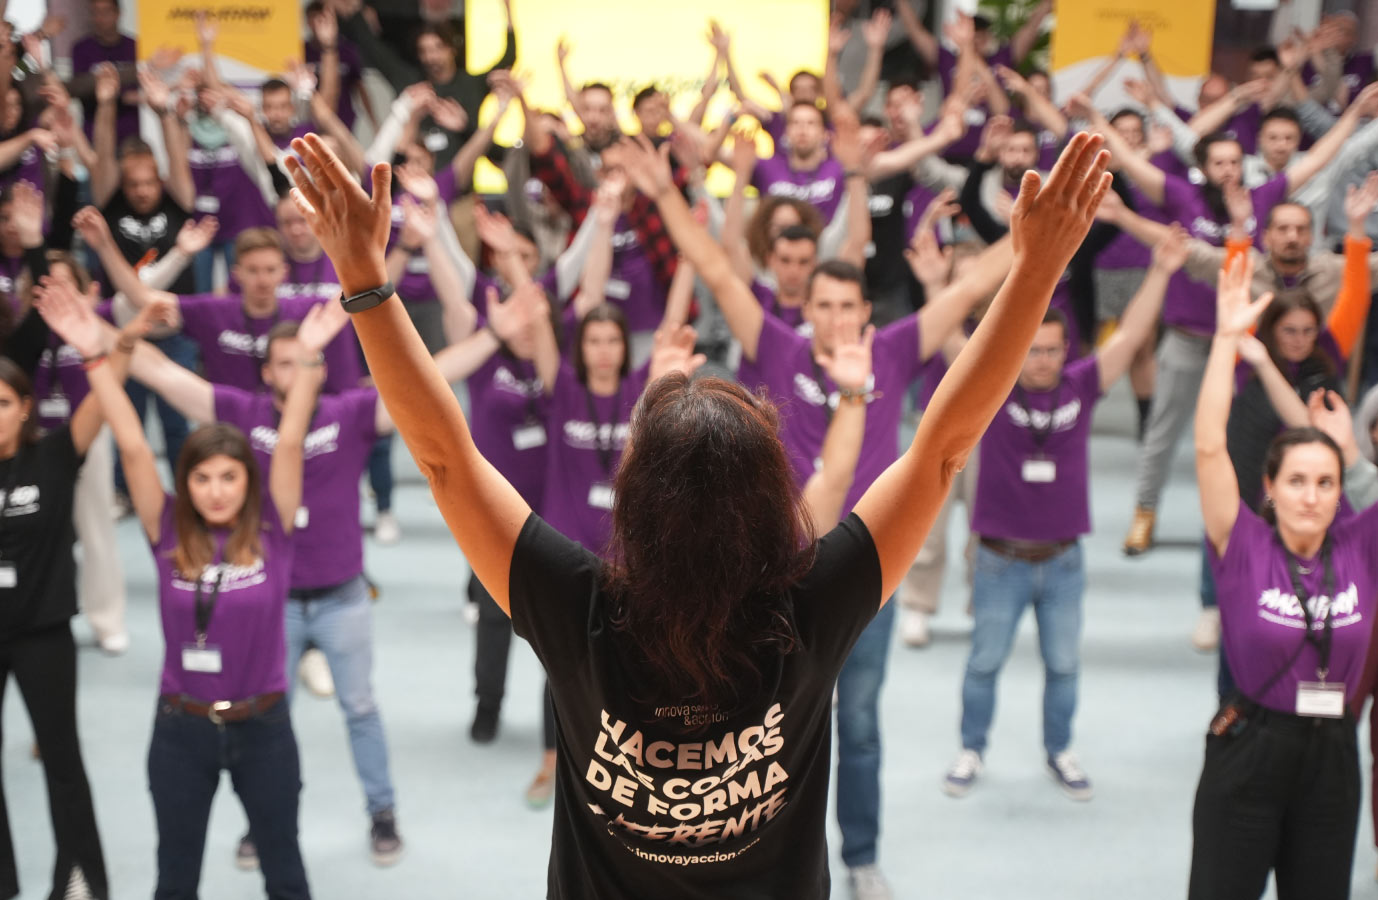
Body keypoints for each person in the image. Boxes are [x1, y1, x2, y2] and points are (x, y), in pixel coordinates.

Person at [281, 120, 1109, 898]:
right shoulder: (812, 606)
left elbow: (442, 458)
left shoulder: (578, 609)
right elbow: (942, 450)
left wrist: (364, 280)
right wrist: (1037, 270)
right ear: (773, 500)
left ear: (633, 501)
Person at [38, 283, 321, 900]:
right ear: (185, 483)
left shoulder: (272, 528)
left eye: (229, 477)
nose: (216, 491)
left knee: (286, 876)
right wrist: (94, 356)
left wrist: (306, 361)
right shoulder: (166, 527)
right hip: (181, 730)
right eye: (202, 478)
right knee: (175, 881)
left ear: (248, 482)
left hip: (264, 727)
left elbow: (290, 439)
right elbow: (133, 446)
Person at [942, 226, 1185, 801]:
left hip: (1063, 562)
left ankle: (1060, 751)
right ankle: (971, 749)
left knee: (1064, 665)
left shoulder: (1082, 384)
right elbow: (949, 341)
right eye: (1032, 349)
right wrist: (934, 285)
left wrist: (1161, 270)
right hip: (999, 559)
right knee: (984, 663)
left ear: (1066, 349)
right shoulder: (995, 385)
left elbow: (1131, 336)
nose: (1043, 360)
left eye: (1052, 350)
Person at [1188, 251, 1378, 899]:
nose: (1311, 496)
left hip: (1332, 756)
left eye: (1325, 483)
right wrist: (1226, 341)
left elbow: (1354, 480)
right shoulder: (1242, 540)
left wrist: (1346, 448)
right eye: (1296, 481)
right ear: (1269, 488)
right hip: (1250, 750)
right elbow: (1208, 446)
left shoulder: (1360, 541)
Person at [0, 307, 113, 898]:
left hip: (43, 633)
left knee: (62, 759)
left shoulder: (55, 454)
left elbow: (104, 399)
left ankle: (79, 875)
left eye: (1, 403)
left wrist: (97, 347)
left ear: (25, 407)